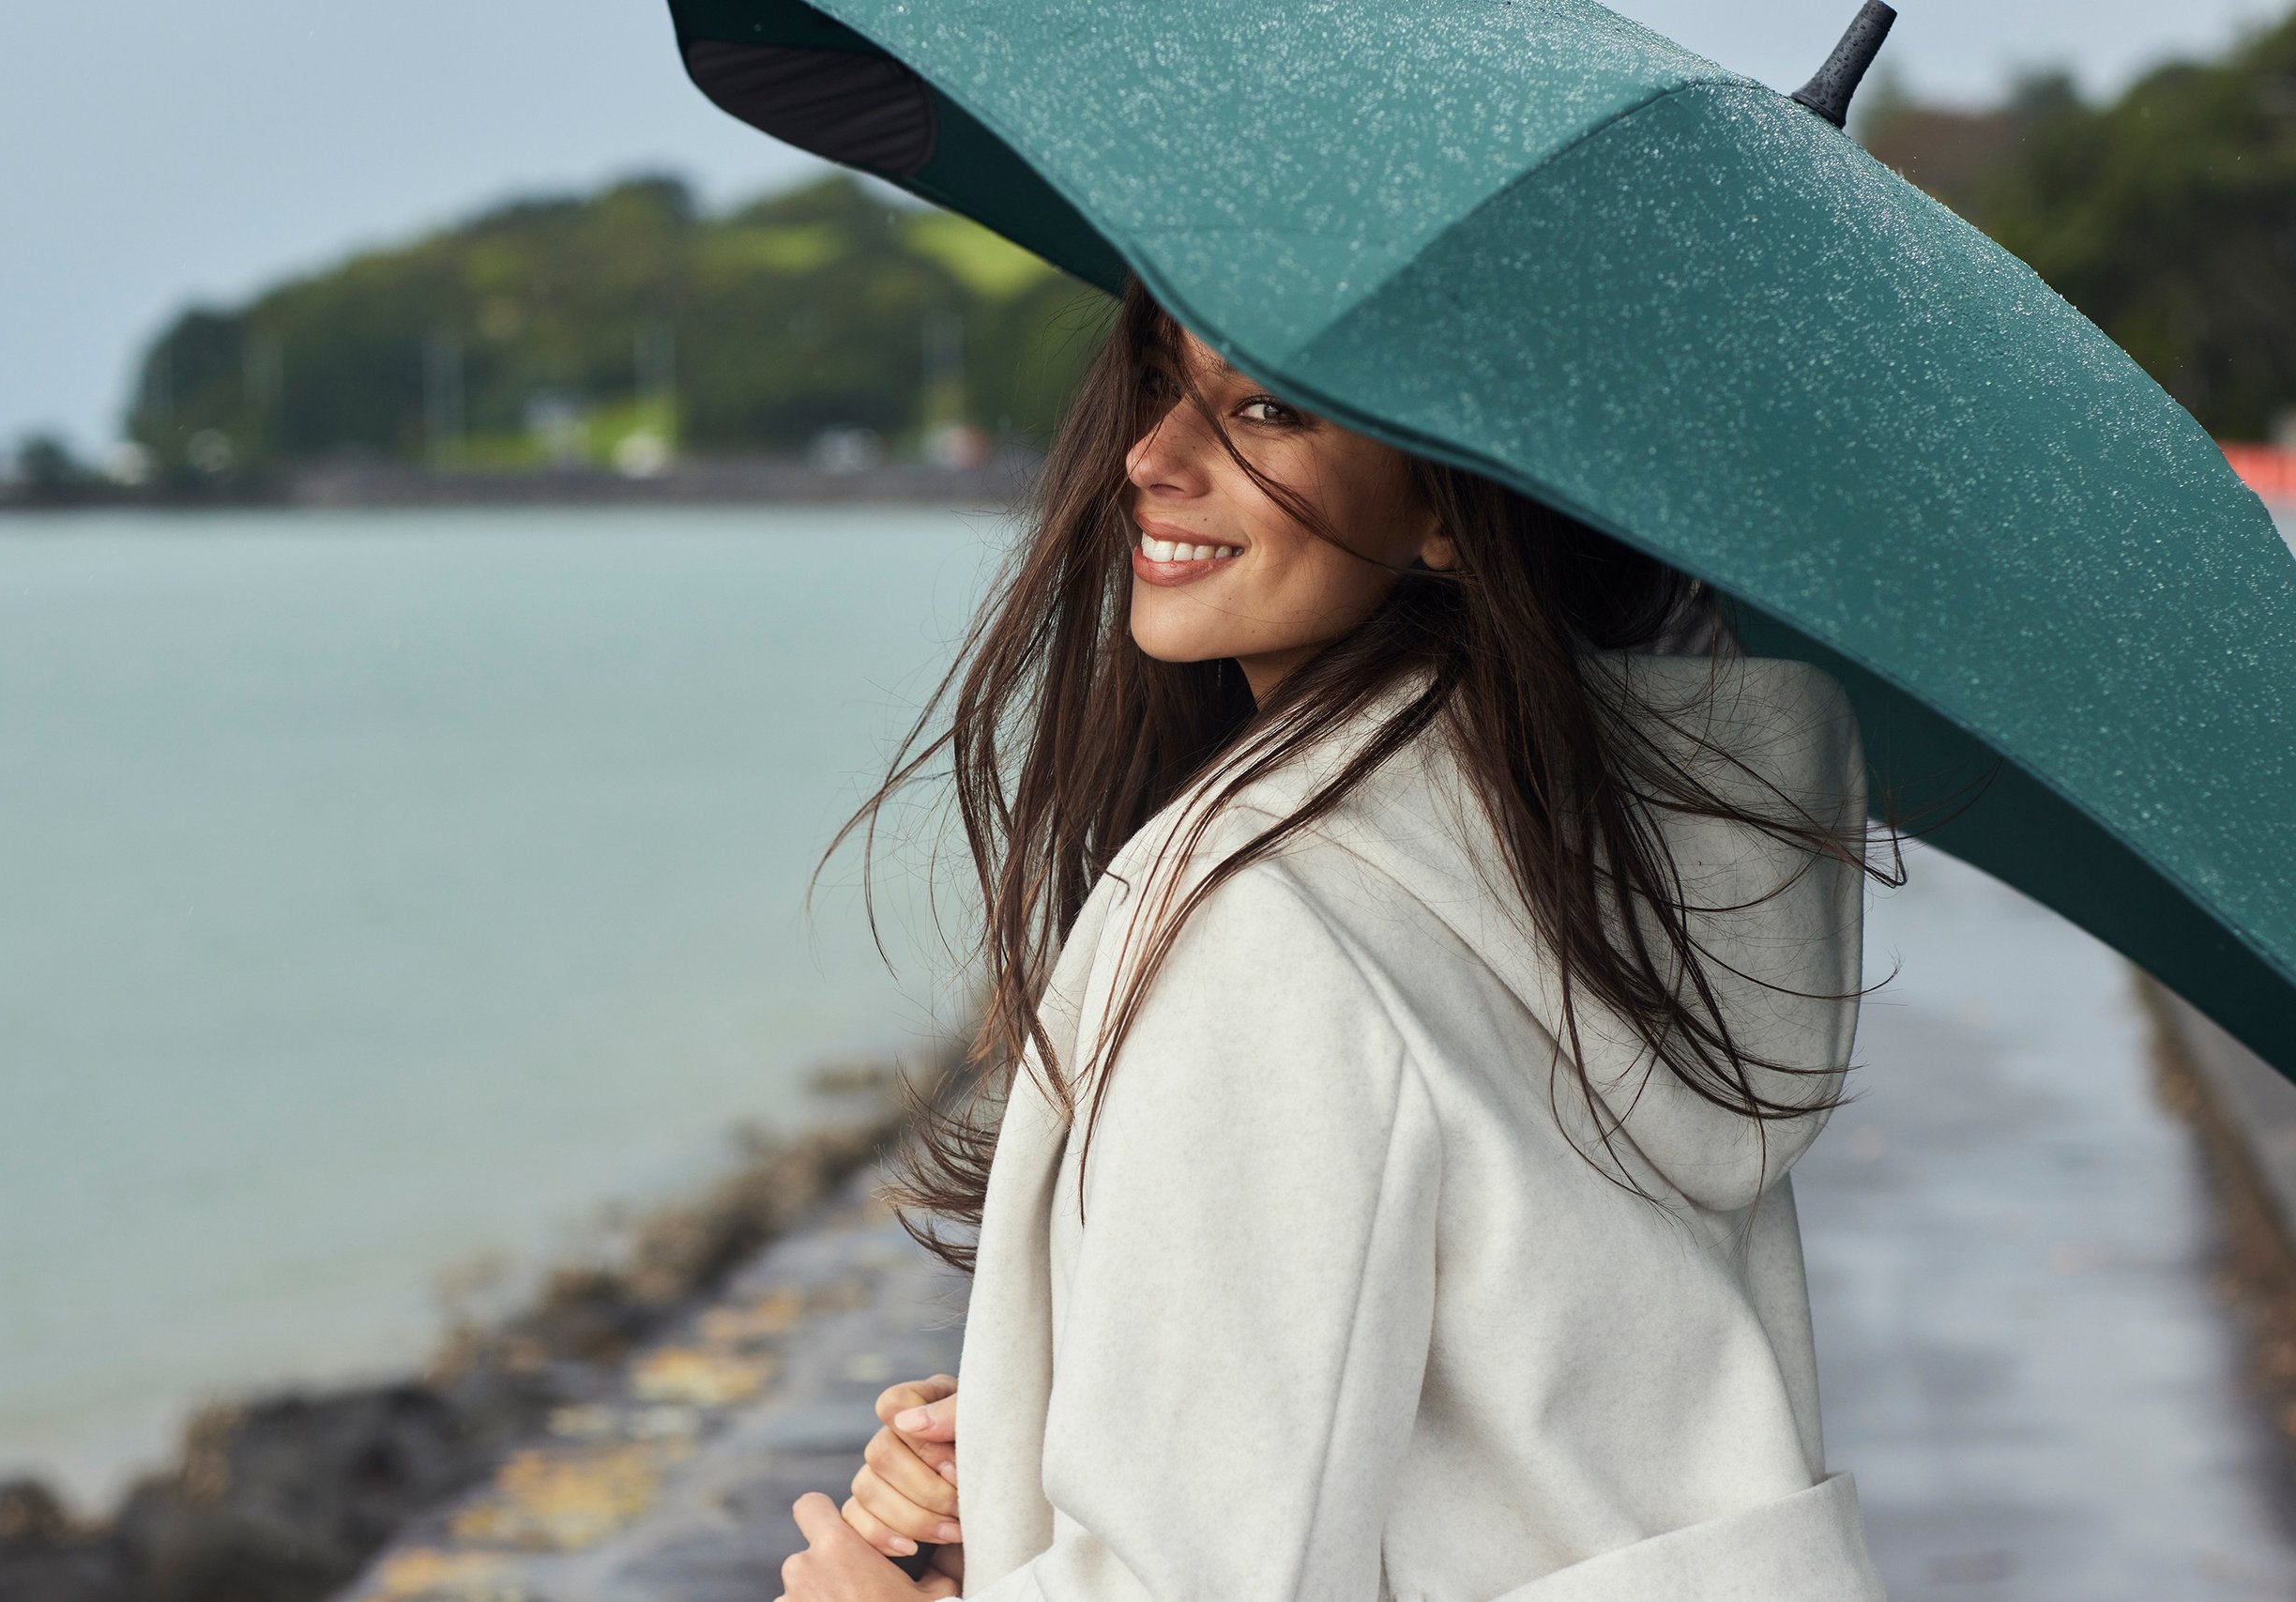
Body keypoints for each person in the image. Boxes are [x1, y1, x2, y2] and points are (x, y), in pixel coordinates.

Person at [777, 277, 1892, 1601]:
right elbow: (1516, 1429)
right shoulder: (1604, 884)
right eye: (1154, 383)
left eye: (1264, 409)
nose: (1150, 458)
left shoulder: (1269, 917)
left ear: (1449, 501)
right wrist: (1056, 1438)